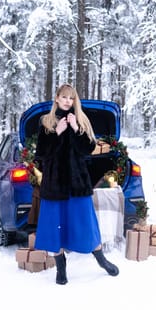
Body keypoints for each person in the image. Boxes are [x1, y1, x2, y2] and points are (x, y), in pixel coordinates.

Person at [34, 83, 119, 284]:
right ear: (56, 98)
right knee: (55, 228)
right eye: (64, 97)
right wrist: (57, 133)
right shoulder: (45, 121)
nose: (67, 101)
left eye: (71, 98)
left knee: (86, 224)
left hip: (77, 184)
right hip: (54, 185)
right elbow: (41, 154)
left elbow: (88, 149)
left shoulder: (80, 119)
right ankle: (60, 268)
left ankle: (102, 260)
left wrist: (75, 128)